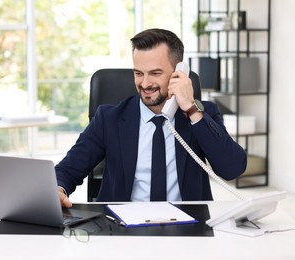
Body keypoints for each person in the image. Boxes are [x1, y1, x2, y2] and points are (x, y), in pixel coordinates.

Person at [56, 28, 247, 208]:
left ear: (178, 73)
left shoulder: (201, 115)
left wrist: (190, 108)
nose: (145, 84)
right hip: (123, 228)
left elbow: (232, 169)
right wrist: (58, 189)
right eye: (138, 73)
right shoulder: (109, 118)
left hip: (189, 227)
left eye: (155, 73)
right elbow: (67, 169)